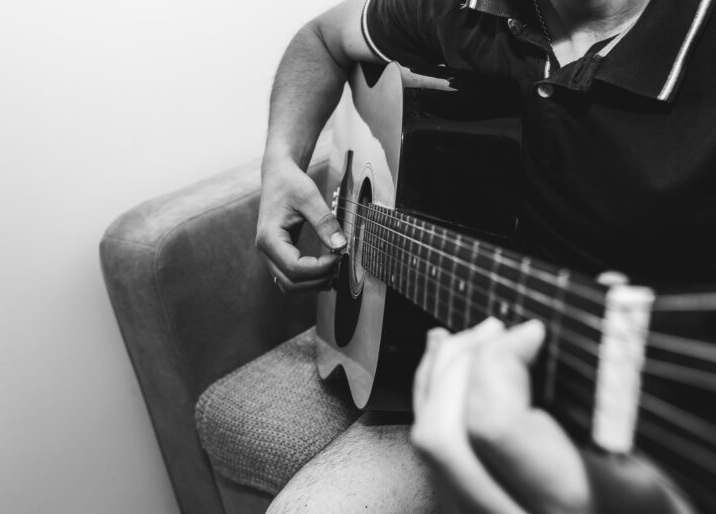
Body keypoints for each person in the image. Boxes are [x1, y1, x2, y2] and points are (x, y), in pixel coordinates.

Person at [256, 0, 715, 511]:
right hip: (469, 354)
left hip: (650, 422)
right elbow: (322, 39)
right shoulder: (462, 8)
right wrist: (281, 161)